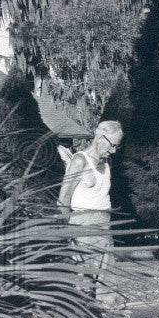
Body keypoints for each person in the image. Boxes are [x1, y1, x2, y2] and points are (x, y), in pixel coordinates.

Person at [58, 120, 122, 299]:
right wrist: (68, 237)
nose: (114, 150)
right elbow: (63, 200)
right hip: (82, 230)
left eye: (117, 146)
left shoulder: (106, 161)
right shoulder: (79, 161)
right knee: (83, 288)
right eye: (112, 145)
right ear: (101, 138)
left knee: (107, 288)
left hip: (104, 230)